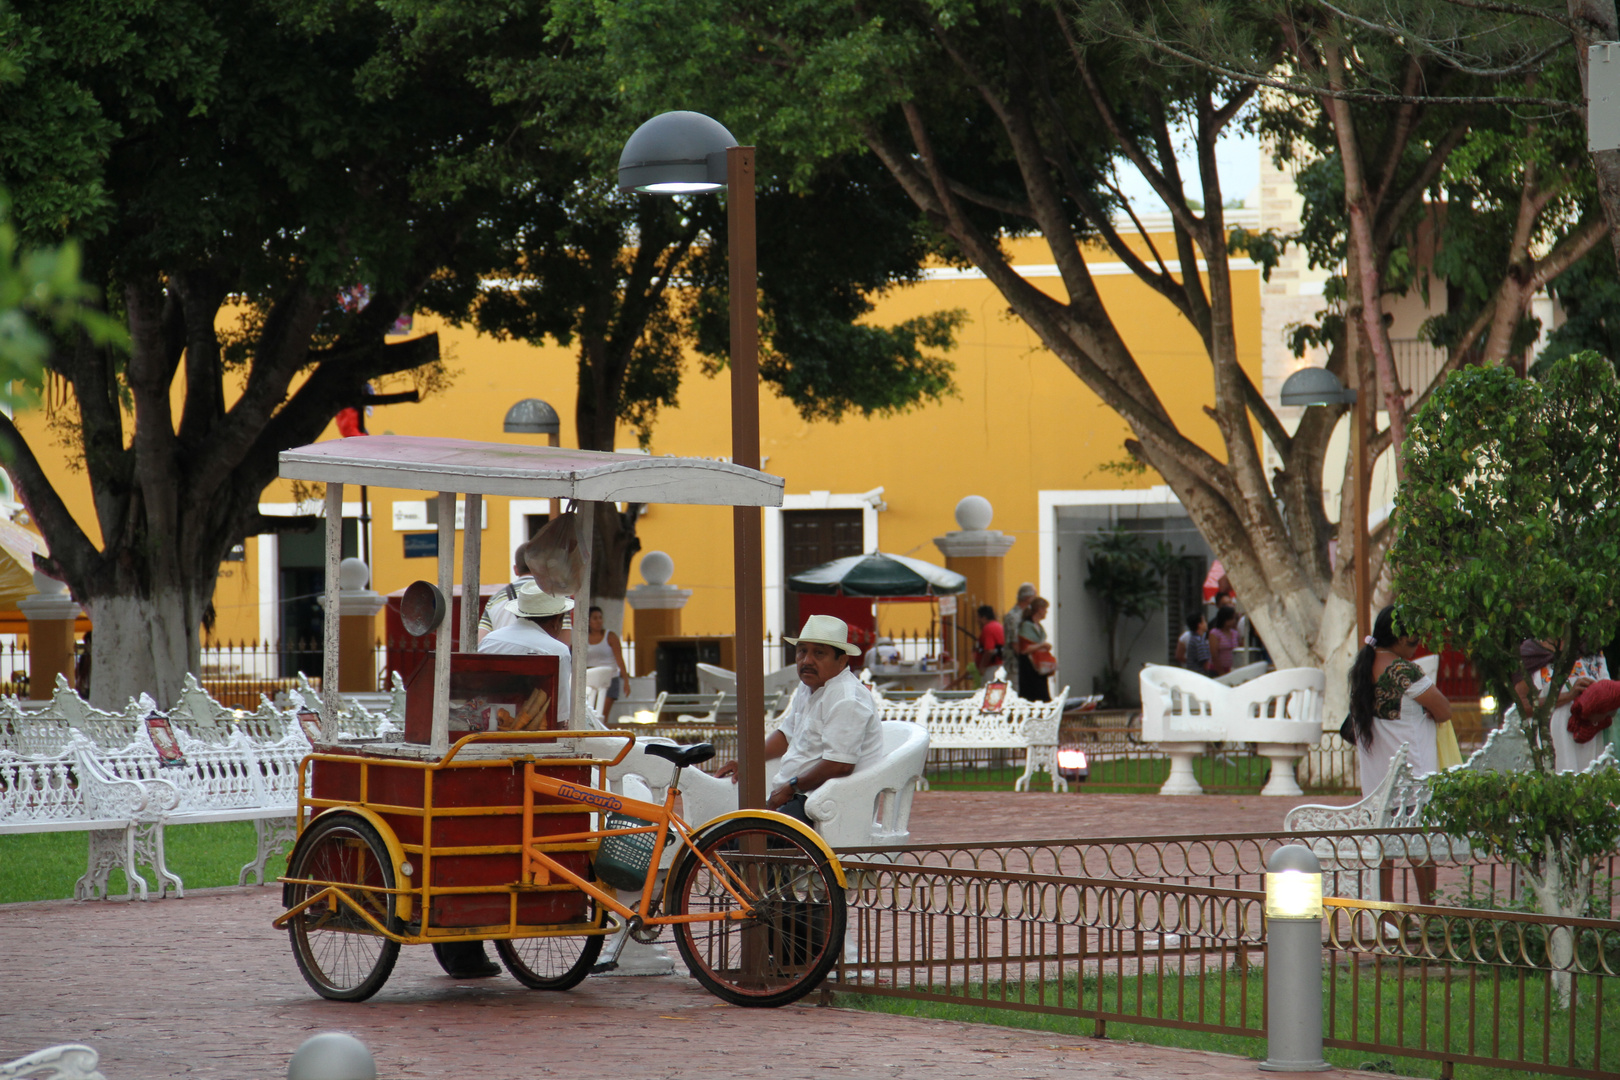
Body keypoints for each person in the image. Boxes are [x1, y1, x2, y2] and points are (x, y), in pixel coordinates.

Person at [438, 583, 577, 979]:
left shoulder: (492, 642)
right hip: (532, 761)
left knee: (475, 843)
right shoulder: (557, 651)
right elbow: (561, 720)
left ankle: (461, 944)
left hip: (481, 755)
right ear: (554, 618)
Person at [717, 614, 883, 827]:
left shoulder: (846, 698)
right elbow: (786, 736)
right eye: (802, 651)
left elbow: (839, 764)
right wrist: (747, 761)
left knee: (741, 842)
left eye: (819, 653)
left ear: (841, 660)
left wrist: (791, 787)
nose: (807, 661)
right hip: (800, 797)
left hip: (823, 805)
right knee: (727, 838)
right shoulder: (807, 688)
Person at [1348, 604, 1450, 907]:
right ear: (1397, 636)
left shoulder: (1363, 667)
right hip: (1412, 772)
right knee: (1420, 845)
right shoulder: (1402, 670)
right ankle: (1429, 910)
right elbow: (1444, 709)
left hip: (1379, 773)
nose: (1418, 642)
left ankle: (1386, 914)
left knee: (1384, 845)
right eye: (1413, 636)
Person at [1518, 638, 1608, 774]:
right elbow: (1523, 706)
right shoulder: (1531, 653)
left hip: (1590, 739)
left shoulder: (1591, 649)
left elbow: (1609, 701)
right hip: (1552, 740)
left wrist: (1594, 698)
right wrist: (1569, 696)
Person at [476, 543, 534, 645]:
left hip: (504, 658)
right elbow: (564, 640)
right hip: (542, 658)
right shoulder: (554, 595)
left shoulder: (495, 598)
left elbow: (481, 641)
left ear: (516, 569)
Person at [586, 605, 630, 720]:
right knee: (589, 714)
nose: (599, 621)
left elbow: (619, 658)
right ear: (588, 621)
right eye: (595, 618)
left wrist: (625, 680)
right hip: (590, 679)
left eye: (600, 618)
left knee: (602, 716)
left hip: (610, 679)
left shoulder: (610, 636)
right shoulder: (582, 637)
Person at [1013, 596, 1052, 703]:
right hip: (1029, 666)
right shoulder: (1027, 626)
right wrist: (1041, 646)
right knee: (1032, 696)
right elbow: (1024, 649)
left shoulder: (1038, 626)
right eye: (1045, 609)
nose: (1046, 612)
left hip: (1038, 666)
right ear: (1039, 610)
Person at [1002, 583, 1036, 695]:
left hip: (1024, 667)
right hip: (1015, 667)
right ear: (1027, 598)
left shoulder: (1024, 615)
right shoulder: (1013, 617)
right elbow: (1015, 644)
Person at [973, 604, 1005, 683]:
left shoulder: (988, 628)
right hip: (999, 666)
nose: (977, 620)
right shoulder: (997, 626)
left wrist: (982, 667)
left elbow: (989, 650)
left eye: (978, 617)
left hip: (992, 668)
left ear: (983, 618)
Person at [1207, 607, 1241, 677]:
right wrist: (1221, 672)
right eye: (1231, 619)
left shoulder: (1235, 633)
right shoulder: (1214, 633)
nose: (1234, 621)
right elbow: (1214, 655)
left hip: (1232, 670)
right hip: (1216, 671)